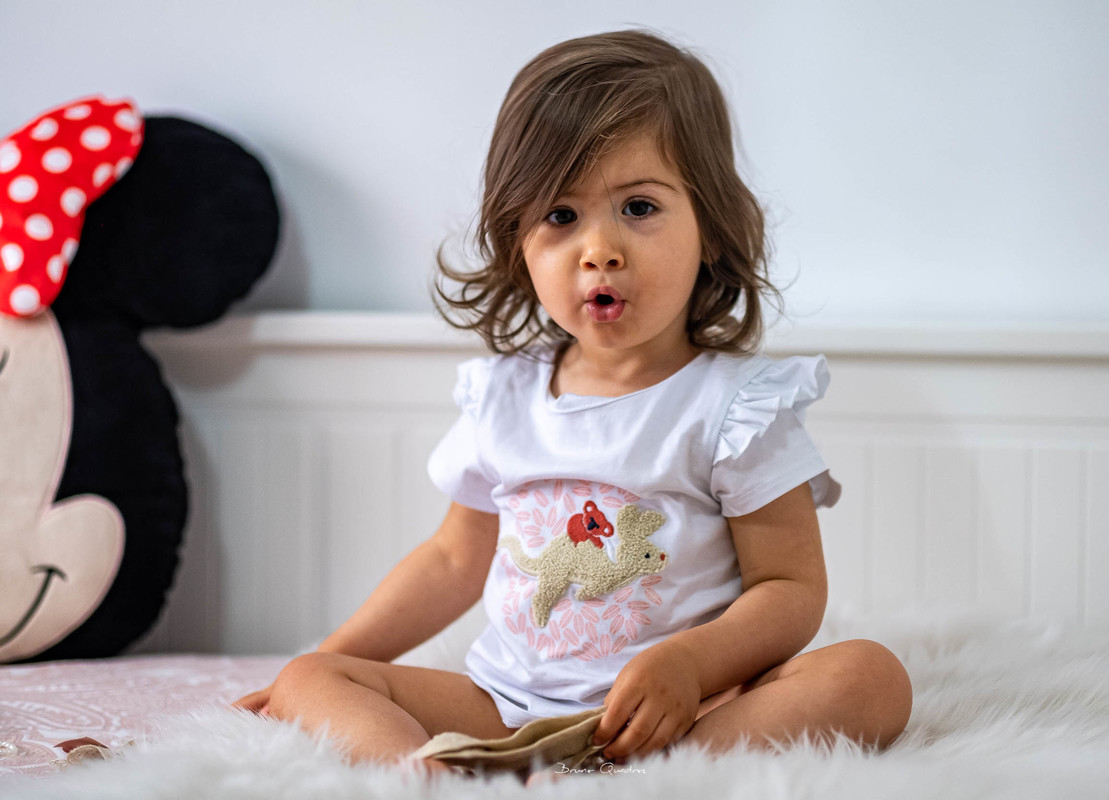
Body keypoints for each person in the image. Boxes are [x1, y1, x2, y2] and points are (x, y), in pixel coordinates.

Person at [236, 29, 912, 769]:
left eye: (639, 207)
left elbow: (789, 587)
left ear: (712, 229)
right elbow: (451, 561)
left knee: (870, 678)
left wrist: (690, 665)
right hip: (502, 707)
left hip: (680, 714)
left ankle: (651, 777)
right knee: (310, 677)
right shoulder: (504, 396)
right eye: (561, 216)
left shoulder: (735, 408)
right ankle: (427, 778)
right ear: (518, 243)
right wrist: (330, 660)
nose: (600, 250)